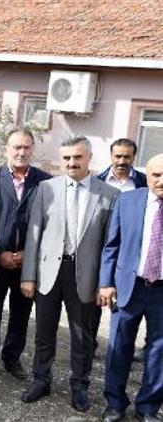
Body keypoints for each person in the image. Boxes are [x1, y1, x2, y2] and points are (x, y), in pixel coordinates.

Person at [20, 136, 119, 412]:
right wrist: (28, 275)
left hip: (85, 275)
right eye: (66, 158)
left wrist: (105, 283)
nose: (71, 163)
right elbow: (34, 233)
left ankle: (80, 387)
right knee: (43, 333)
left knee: (82, 336)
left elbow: (110, 244)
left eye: (77, 157)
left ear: (89, 158)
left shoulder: (109, 195)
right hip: (49, 272)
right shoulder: (46, 188)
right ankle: (41, 380)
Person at [0, 128, 51, 380]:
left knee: (21, 313)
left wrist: (29, 253)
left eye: (26, 147)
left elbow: (50, 223)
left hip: (28, 263)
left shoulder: (45, 182)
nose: (21, 152)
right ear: (6, 149)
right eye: (16, 147)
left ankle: (12, 358)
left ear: (32, 150)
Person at [98, 153, 163, 422]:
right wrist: (106, 283)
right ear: (145, 175)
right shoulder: (128, 201)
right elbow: (111, 245)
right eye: (156, 175)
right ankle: (115, 404)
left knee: (159, 352)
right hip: (129, 287)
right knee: (119, 348)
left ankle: (148, 407)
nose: (161, 180)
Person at [93, 138, 148, 359]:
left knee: (134, 301)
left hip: (132, 251)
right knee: (96, 297)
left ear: (134, 157)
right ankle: (91, 343)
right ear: (111, 156)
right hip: (101, 247)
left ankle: (143, 348)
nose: (122, 161)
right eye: (118, 156)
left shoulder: (145, 182)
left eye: (127, 156)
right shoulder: (97, 182)